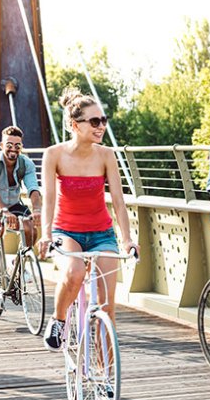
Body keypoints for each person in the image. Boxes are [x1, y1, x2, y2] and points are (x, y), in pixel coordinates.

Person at [37, 88, 139, 352]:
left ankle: (105, 380)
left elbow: (118, 200)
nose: (101, 126)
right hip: (66, 231)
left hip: (102, 233)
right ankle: (59, 319)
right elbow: (48, 198)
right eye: (94, 121)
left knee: (107, 308)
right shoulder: (54, 154)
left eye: (103, 120)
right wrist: (46, 234)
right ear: (75, 125)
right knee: (75, 272)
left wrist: (127, 240)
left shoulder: (106, 155)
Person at [0, 125, 42, 313]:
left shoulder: (26, 163)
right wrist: (3, 211)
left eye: (18, 146)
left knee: (30, 228)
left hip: (13, 203)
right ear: (2, 145)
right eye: (9, 145)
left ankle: (18, 264)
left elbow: (33, 189)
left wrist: (37, 209)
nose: (13, 149)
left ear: (21, 147)